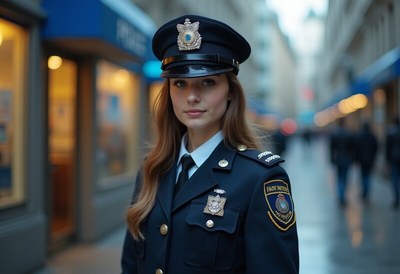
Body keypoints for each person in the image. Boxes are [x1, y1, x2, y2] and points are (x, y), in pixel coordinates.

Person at [121, 15, 299, 274]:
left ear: (229, 92)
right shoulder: (153, 171)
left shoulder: (260, 179)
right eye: (180, 83)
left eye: (207, 82)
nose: (191, 96)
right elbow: (130, 266)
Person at [329, 118, 355, 206]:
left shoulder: (335, 134)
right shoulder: (348, 134)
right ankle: (342, 196)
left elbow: (331, 149)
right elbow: (352, 148)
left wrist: (332, 159)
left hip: (338, 159)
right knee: (344, 178)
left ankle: (341, 196)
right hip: (346, 159)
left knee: (339, 178)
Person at [354, 121, 378, 203]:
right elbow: (376, 148)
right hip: (370, 160)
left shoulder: (359, 136)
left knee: (363, 176)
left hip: (362, 160)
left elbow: (356, 149)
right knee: (368, 177)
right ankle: (366, 193)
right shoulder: (372, 136)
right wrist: (374, 158)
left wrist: (356, 160)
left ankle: (364, 192)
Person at [385, 116, 400, 208]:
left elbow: (387, 148)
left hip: (394, 159)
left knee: (395, 180)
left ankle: (396, 198)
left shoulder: (390, 133)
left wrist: (387, 160)